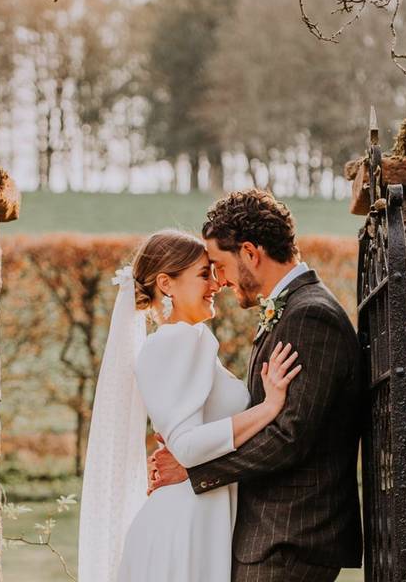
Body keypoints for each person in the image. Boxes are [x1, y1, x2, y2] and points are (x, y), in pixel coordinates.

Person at [149, 189, 364, 582]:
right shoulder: (291, 311)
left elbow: (290, 436)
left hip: (290, 536)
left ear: (249, 253)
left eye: (219, 265)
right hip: (273, 535)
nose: (220, 280)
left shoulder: (309, 315)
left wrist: (194, 471)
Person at [78, 228, 302, 582]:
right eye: (203, 274)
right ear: (167, 284)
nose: (216, 284)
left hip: (201, 518)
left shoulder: (190, 340)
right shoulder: (177, 341)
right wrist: (269, 408)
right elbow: (185, 446)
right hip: (184, 527)